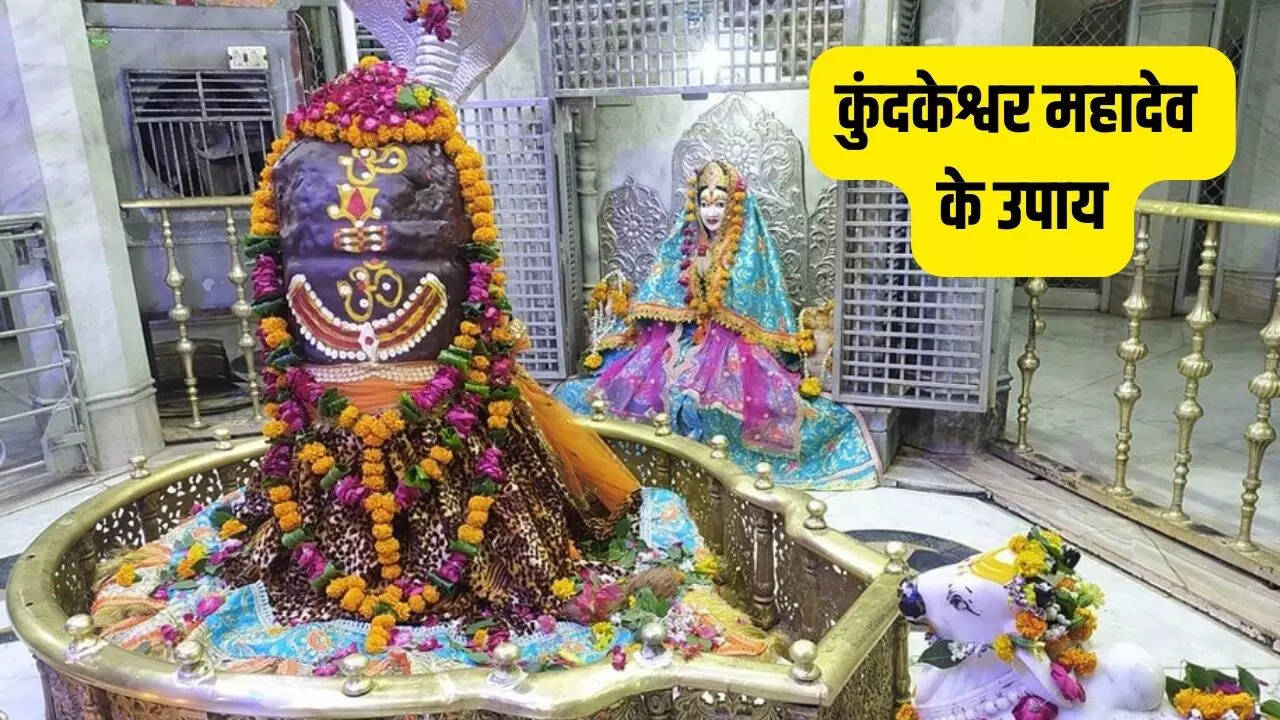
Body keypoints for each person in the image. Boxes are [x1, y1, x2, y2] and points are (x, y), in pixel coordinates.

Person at [556, 161, 880, 491]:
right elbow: (663, 291)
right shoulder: (684, 243)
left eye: (720, 204)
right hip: (682, 338)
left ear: (734, 207)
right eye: (705, 204)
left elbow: (756, 305)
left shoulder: (747, 250)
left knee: (725, 403)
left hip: (732, 343)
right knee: (641, 389)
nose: (711, 213)